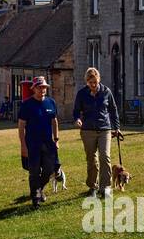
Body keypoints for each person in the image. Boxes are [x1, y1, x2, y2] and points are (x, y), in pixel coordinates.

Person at [73, 67, 121, 198]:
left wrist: (116, 127)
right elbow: (76, 111)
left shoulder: (106, 92)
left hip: (104, 129)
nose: (93, 85)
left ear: (99, 79)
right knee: (92, 160)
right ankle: (92, 186)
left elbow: (113, 109)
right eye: (90, 83)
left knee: (105, 157)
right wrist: (77, 119)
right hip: (88, 130)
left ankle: (105, 187)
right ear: (86, 82)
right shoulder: (82, 94)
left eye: (95, 82)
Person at [17, 76, 63, 208]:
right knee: (34, 171)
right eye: (39, 87)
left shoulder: (51, 103)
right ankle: (35, 198)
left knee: (49, 169)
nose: (42, 89)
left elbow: (54, 122)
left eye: (44, 87)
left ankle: (39, 189)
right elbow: (21, 127)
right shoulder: (27, 105)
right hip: (32, 144)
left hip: (48, 144)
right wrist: (23, 146)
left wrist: (56, 139)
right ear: (34, 88)